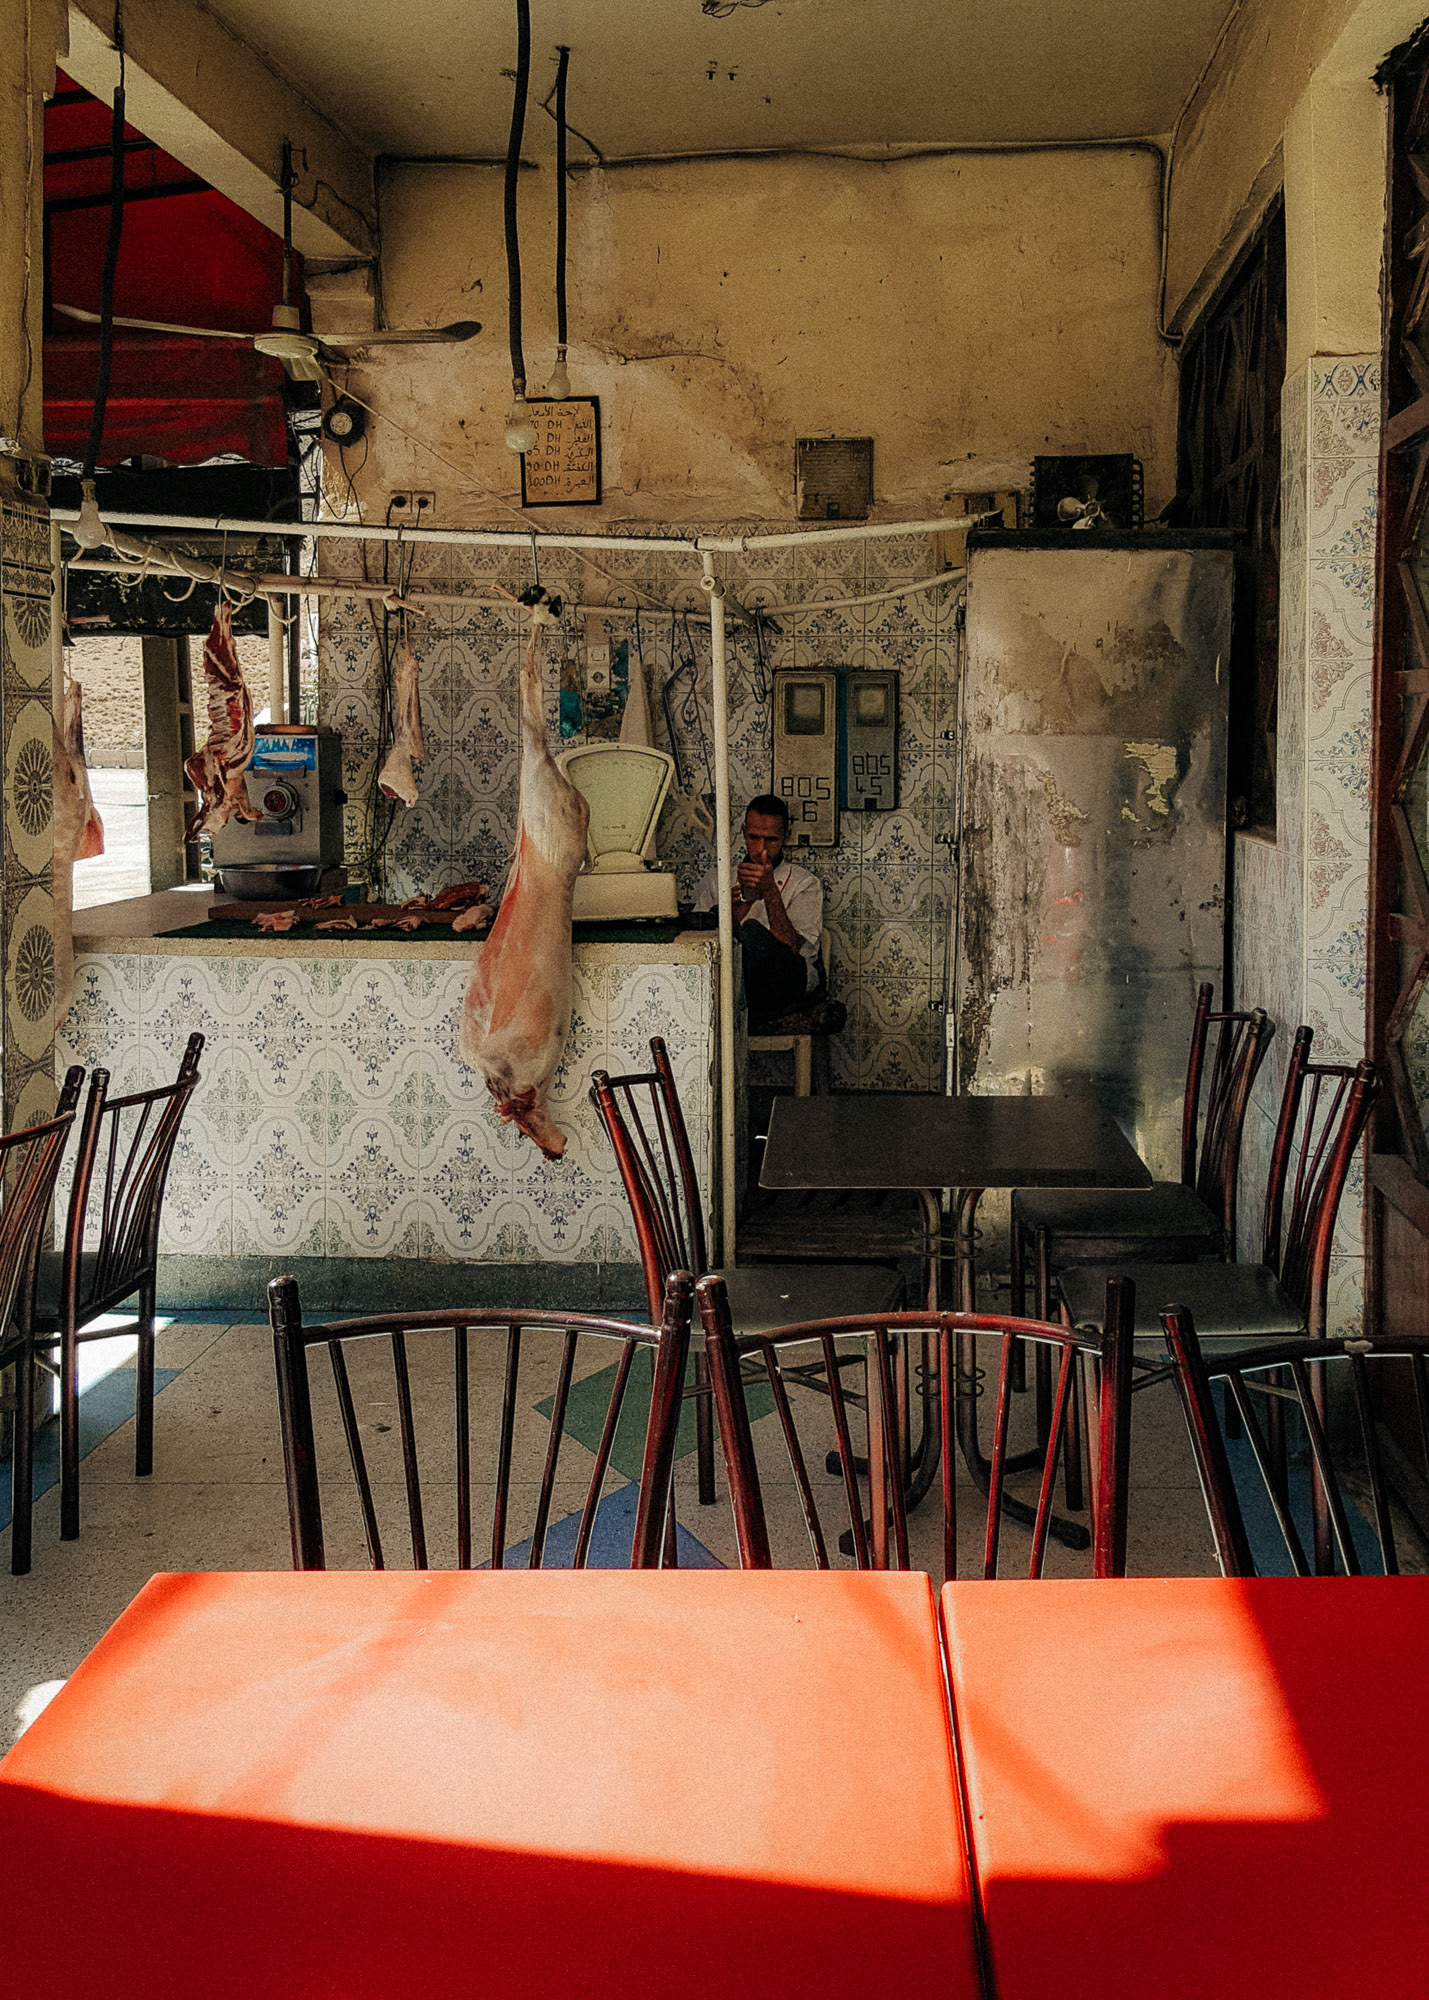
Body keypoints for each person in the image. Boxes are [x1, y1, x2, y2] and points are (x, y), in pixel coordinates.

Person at [693, 794, 826, 1026]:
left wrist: (770, 890)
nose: (761, 849)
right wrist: (733, 915)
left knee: (753, 933)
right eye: (754, 837)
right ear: (744, 833)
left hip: (788, 981)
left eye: (771, 840)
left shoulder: (805, 883)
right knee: (716, 929)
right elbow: (698, 945)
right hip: (736, 983)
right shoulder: (719, 878)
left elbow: (793, 946)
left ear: (786, 837)